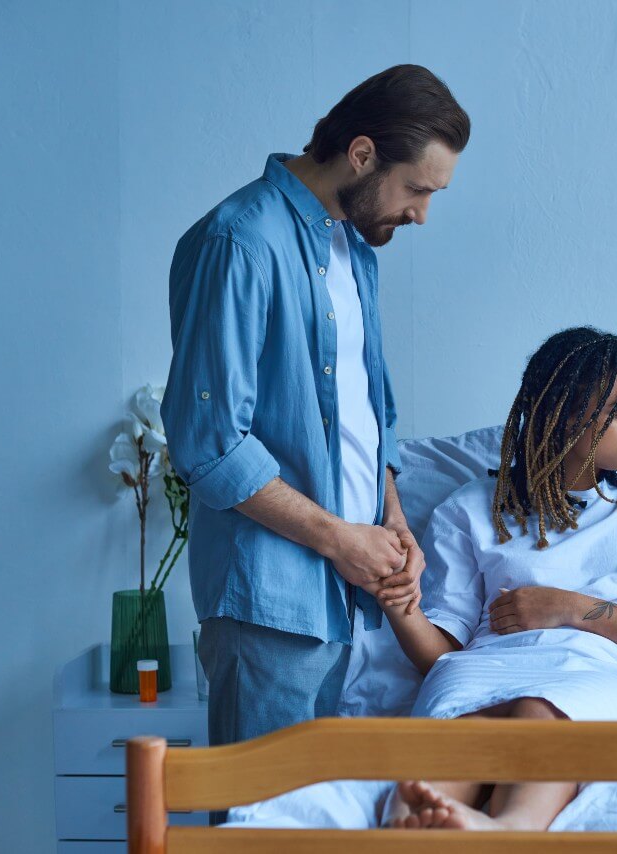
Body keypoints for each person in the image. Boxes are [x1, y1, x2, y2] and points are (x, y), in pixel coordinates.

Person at [160, 65, 470, 765]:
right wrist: (341, 541)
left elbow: (370, 413)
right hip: (267, 602)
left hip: (339, 595)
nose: (422, 213)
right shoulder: (237, 242)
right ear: (361, 155)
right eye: (417, 188)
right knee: (261, 830)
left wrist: (391, 519)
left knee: (307, 823)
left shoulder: (353, 249)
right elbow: (210, 446)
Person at [380, 327, 617, 831]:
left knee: (538, 714)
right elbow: (440, 652)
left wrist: (570, 608)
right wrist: (399, 604)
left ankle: (507, 829)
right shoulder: (473, 508)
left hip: (595, 673)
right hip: (483, 670)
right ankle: (406, 825)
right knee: (462, 732)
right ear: (565, 418)